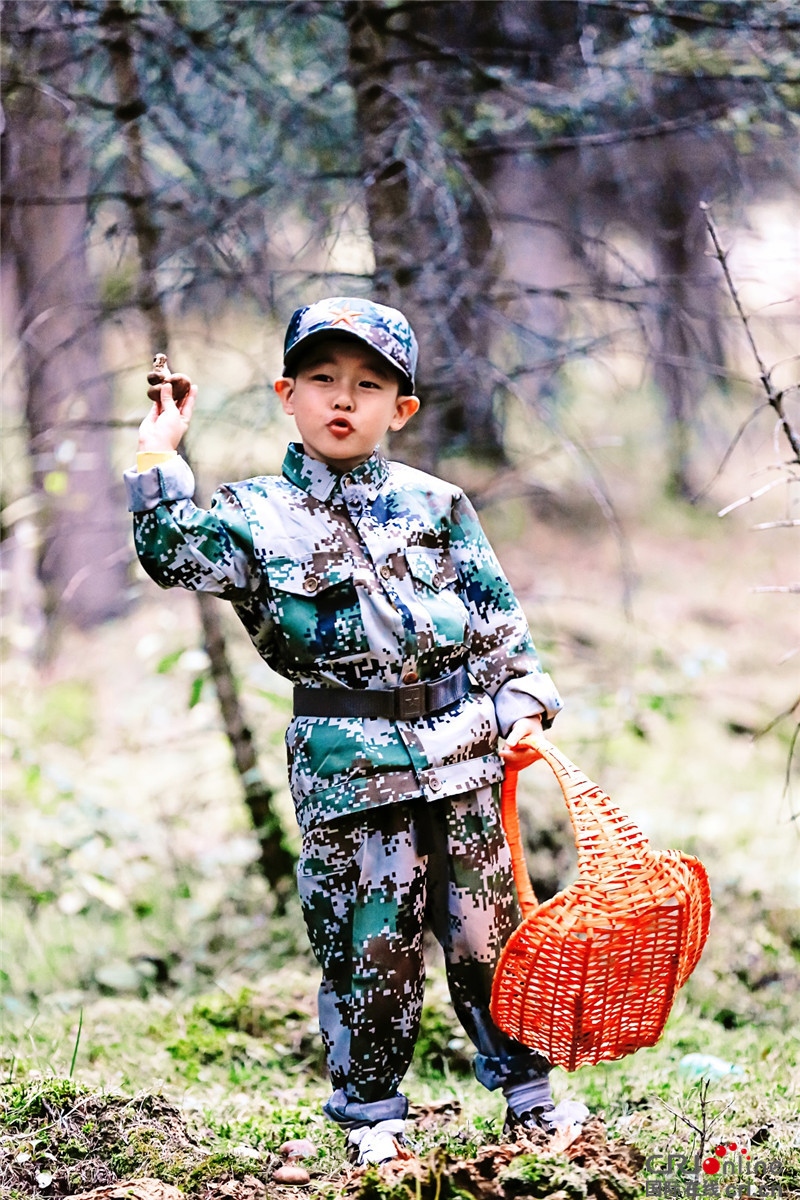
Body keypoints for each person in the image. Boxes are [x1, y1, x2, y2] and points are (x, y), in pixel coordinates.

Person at [124, 296, 587, 1165]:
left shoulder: (436, 503)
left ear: (398, 410)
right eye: (323, 380)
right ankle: (374, 1118)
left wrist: (521, 700)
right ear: (287, 393)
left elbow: (496, 618)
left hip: (461, 751)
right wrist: (159, 453)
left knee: (492, 934)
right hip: (350, 765)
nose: (344, 400)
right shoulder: (253, 516)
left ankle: (531, 1100)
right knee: (369, 943)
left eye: (368, 385)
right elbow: (170, 552)